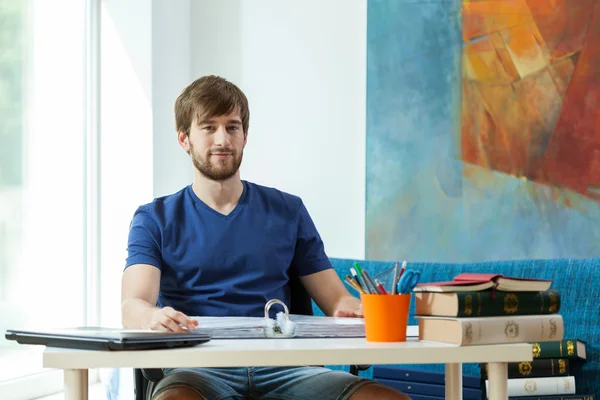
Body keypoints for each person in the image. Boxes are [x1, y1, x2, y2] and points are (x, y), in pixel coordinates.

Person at [121, 75, 410, 400]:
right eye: (208, 127)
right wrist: (152, 316)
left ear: (245, 136)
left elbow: (337, 300)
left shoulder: (288, 210)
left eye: (232, 127)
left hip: (288, 367)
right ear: (184, 138)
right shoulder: (154, 218)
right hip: (198, 369)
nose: (222, 140)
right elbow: (133, 304)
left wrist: (354, 309)